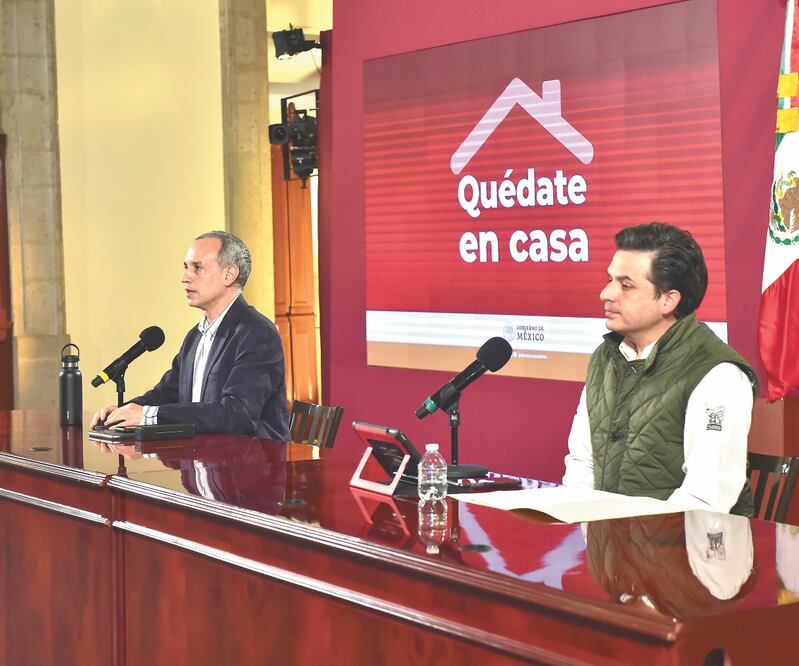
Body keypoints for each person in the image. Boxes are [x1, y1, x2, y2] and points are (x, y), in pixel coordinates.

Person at [562, 222, 757, 515]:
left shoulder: (718, 373)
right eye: (610, 280)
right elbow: (582, 463)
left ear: (668, 300)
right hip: (609, 550)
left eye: (625, 285)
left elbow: (706, 498)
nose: (606, 293)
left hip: (688, 552)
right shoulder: (606, 357)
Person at [91, 231, 290, 440]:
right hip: (203, 461)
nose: (185, 277)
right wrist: (125, 411)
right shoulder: (195, 336)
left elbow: (236, 415)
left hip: (247, 465)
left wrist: (147, 415)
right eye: (186, 267)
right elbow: (169, 393)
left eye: (197, 267)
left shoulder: (257, 333)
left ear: (229, 275)